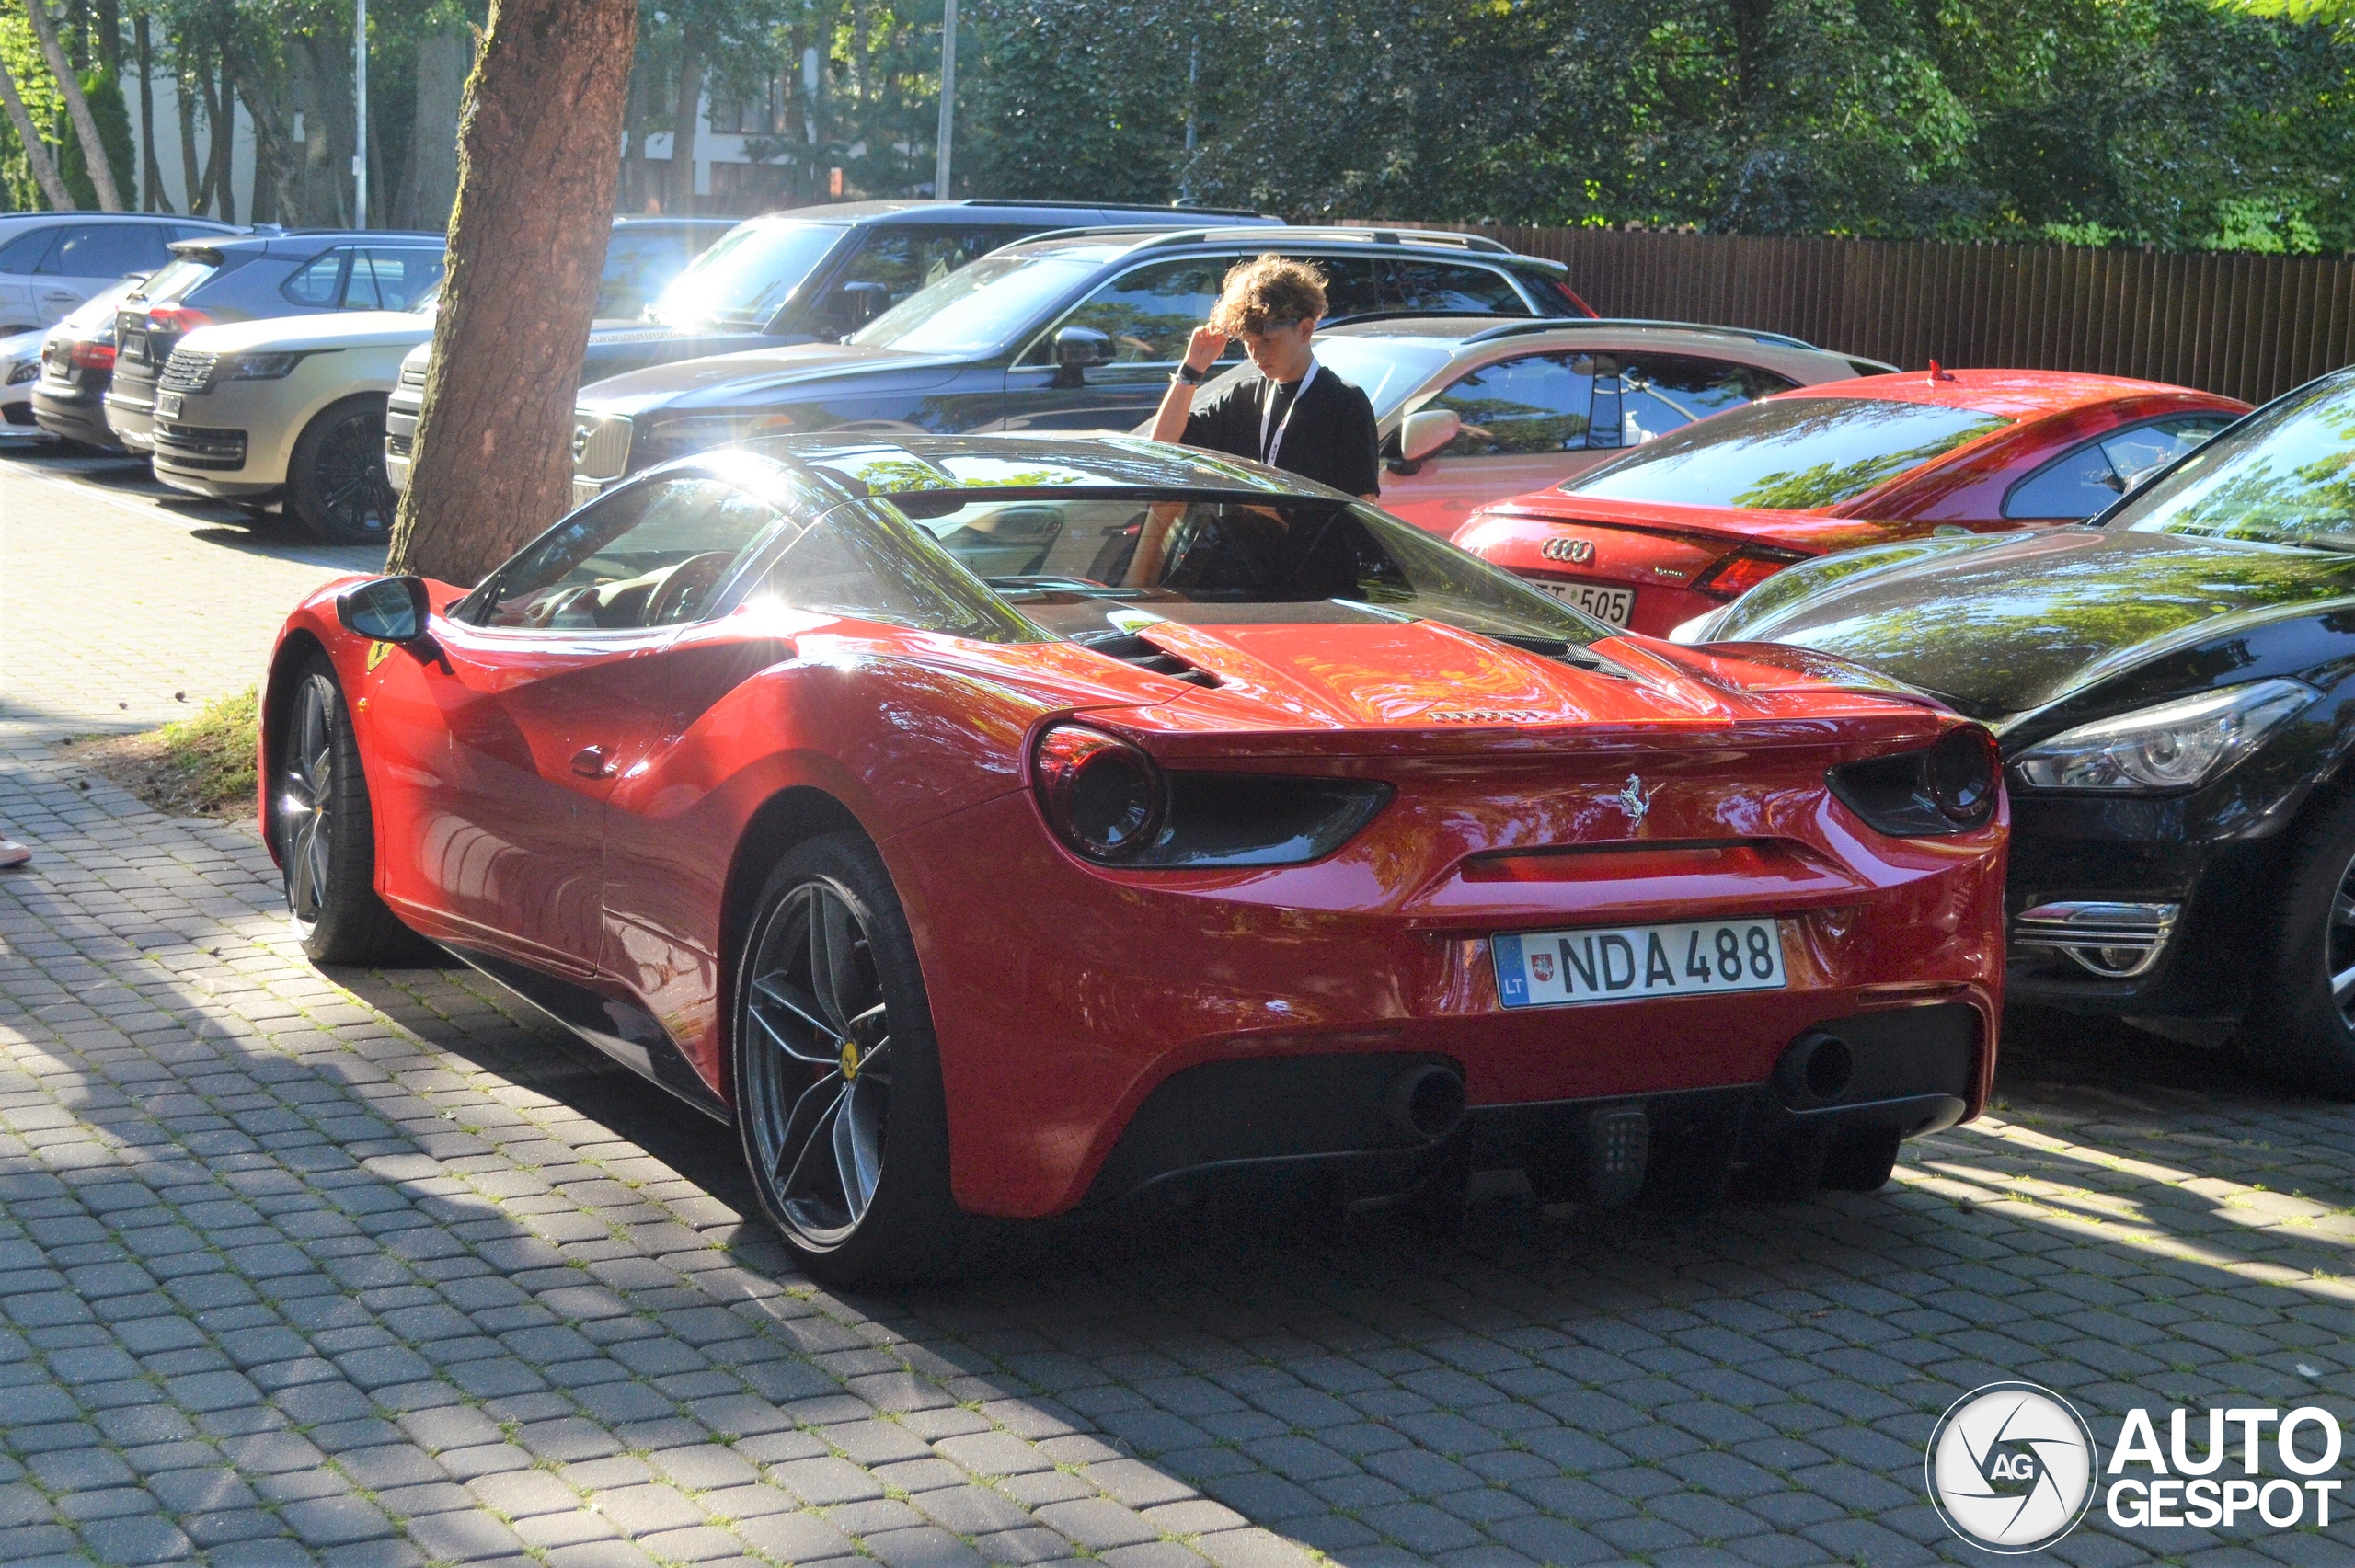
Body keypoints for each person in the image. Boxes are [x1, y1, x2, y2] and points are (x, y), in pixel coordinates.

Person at [1150, 255, 1381, 500]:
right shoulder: (1243, 397)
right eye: (1248, 342)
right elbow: (1162, 447)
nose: (1256, 354)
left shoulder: (1345, 403)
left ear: (1304, 330)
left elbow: (1363, 508)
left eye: (1268, 341)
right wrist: (1192, 368)